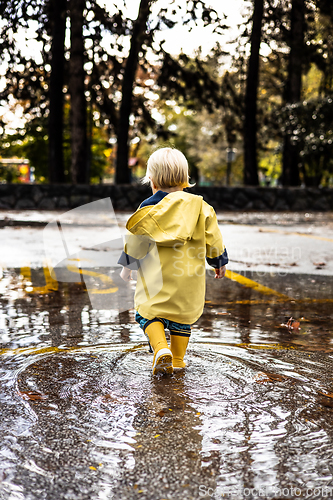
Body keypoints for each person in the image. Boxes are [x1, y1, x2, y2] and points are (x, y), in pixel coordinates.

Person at [118, 147, 228, 375]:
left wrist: (128, 267)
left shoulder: (148, 209)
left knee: (147, 313)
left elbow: (136, 239)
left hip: (155, 281)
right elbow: (213, 237)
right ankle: (177, 359)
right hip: (187, 280)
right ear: (185, 179)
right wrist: (218, 261)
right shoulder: (202, 207)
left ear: (152, 181)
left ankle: (160, 350)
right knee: (182, 319)